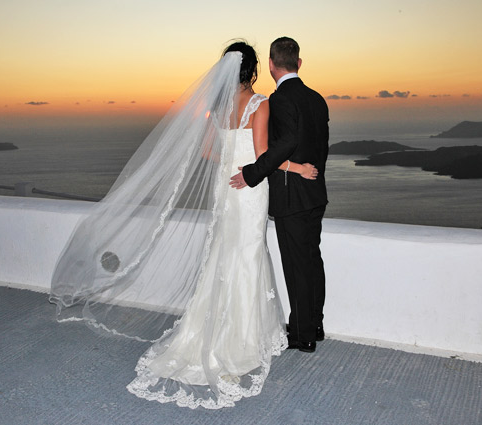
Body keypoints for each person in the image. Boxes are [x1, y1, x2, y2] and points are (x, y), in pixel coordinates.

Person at [51, 41, 316, 409]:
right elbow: (262, 157)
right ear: (254, 70)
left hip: (226, 188)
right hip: (249, 190)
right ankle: (241, 341)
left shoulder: (219, 109)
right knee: (247, 255)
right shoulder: (260, 104)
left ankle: (217, 333)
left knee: (224, 256)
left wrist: (229, 159)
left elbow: (208, 151)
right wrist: (297, 167)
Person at [230, 37, 330, 354]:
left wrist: (251, 173)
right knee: (312, 263)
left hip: (292, 198)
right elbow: (321, 147)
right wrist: (309, 173)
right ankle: (315, 323)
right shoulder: (317, 99)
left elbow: (284, 144)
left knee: (297, 268)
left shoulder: (281, 99)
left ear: (272, 65)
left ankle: (302, 336)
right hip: (315, 193)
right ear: (298, 63)